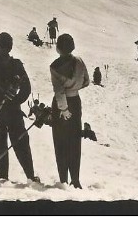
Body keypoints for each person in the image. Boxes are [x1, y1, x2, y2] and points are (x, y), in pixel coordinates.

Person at [0, 32, 39, 183]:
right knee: (14, 145)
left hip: (4, 113)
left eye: (5, 46)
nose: (4, 50)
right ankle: (20, 177)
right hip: (3, 112)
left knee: (9, 145)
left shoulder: (3, 64)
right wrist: (6, 97)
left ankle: (11, 178)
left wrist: (11, 99)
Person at [50, 33, 89, 188]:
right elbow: (87, 81)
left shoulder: (54, 66)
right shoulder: (79, 61)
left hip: (61, 106)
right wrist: (75, 87)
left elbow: (59, 91)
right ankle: (76, 179)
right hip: (76, 101)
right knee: (74, 141)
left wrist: (63, 109)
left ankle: (63, 180)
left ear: (58, 48)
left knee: (60, 142)